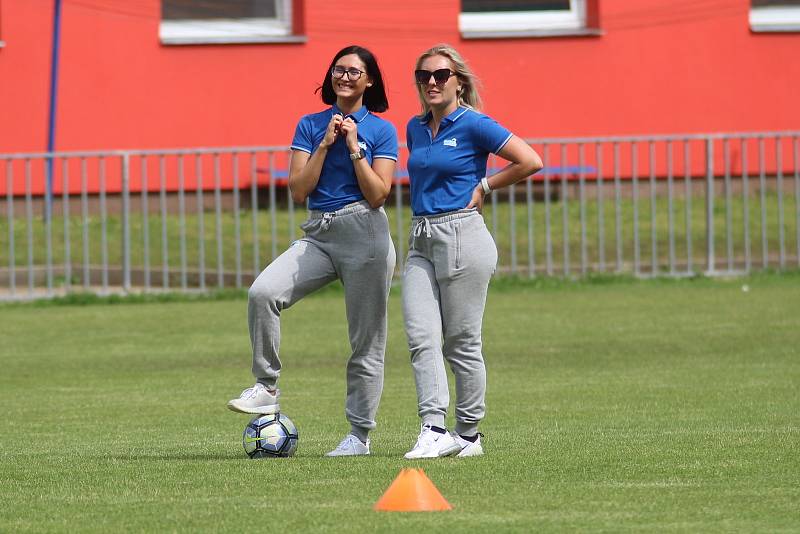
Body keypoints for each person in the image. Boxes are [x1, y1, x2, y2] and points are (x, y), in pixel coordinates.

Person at [227, 45, 398, 457]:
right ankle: (266, 387)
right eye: (339, 70)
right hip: (319, 231)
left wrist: (354, 146)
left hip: (366, 234)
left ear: (369, 81)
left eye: (355, 72)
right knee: (264, 293)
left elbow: (379, 195)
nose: (345, 77)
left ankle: (359, 436)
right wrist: (324, 145)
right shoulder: (309, 124)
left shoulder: (381, 130)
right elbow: (298, 191)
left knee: (366, 342)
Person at [402, 44, 543, 459]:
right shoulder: (414, 127)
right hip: (421, 238)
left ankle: (468, 435)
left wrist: (485, 186)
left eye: (440, 75)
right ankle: (432, 427)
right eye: (423, 75)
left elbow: (529, 160)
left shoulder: (475, 124)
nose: (431, 82)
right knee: (420, 336)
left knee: (461, 343)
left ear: (458, 82)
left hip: (463, 235)